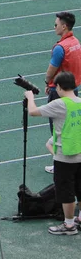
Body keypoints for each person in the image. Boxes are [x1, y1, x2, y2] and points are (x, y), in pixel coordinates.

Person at [26, 71, 81, 235]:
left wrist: (30, 97)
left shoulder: (60, 104)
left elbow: (33, 112)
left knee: (66, 192)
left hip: (65, 156)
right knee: (80, 189)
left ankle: (69, 225)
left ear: (59, 87)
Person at [43, 12, 81, 174]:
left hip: (59, 92)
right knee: (72, 127)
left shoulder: (60, 48)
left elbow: (51, 70)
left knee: (57, 130)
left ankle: (60, 164)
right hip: (74, 90)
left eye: (56, 24)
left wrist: (47, 82)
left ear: (64, 26)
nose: (54, 27)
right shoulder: (76, 42)